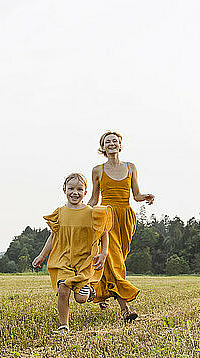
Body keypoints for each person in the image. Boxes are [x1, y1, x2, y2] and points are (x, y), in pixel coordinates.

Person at [32, 173, 113, 334]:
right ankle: (64, 326)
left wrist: (103, 253)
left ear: (85, 192)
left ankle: (89, 291)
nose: (74, 192)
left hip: (84, 259)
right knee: (63, 289)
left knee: (80, 299)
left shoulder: (91, 212)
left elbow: (104, 232)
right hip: (63, 258)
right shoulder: (60, 213)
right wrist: (42, 255)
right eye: (71, 188)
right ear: (64, 190)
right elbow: (54, 236)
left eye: (79, 189)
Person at [88, 131, 155, 322]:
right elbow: (94, 198)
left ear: (120, 145)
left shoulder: (131, 167)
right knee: (112, 259)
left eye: (114, 141)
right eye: (107, 141)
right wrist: (82, 212)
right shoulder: (97, 170)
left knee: (118, 260)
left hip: (125, 218)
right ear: (103, 147)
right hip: (107, 216)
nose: (111, 144)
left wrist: (146, 197)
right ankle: (125, 310)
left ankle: (103, 291)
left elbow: (136, 194)